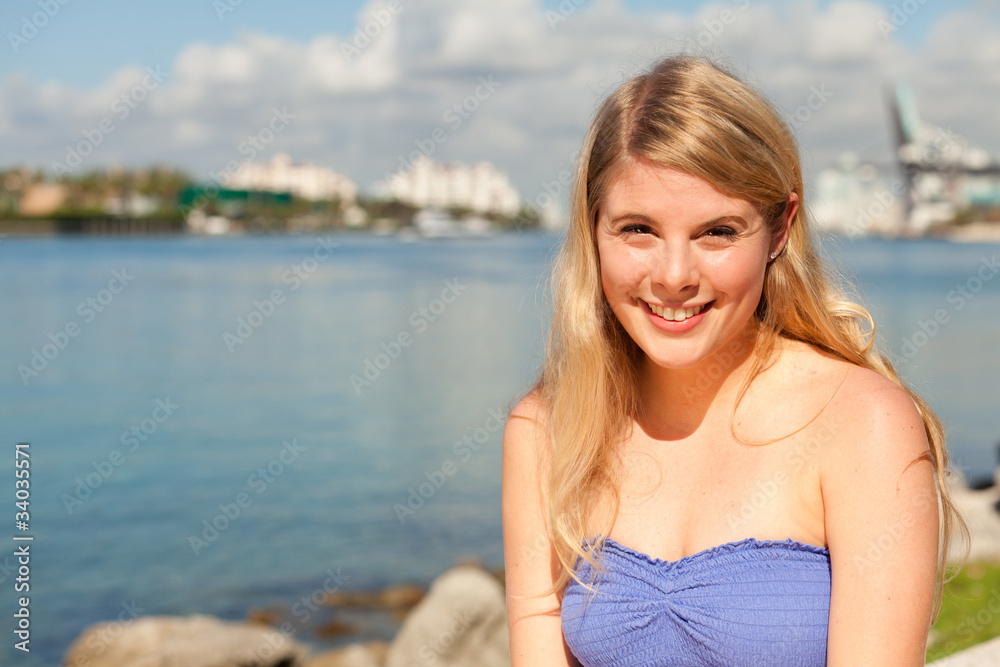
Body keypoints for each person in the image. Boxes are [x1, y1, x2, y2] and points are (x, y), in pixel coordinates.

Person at [501, 55, 969, 666]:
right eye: (637, 229)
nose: (673, 276)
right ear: (592, 230)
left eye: (717, 232)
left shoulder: (862, 424)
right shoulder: (546, 430)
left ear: (779, 231)